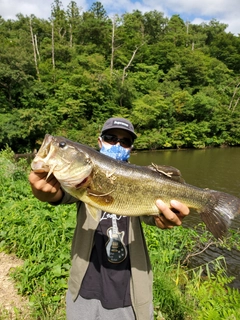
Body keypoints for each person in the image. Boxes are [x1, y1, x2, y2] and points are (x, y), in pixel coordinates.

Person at [29, 117, 189, 320]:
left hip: (127, 290)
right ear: (99, 141)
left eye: (125, 142)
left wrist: (165, 219)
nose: (117, 145)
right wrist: (44, 192)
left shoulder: (140, 178)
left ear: (131, 148)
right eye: (111, 138)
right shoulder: (81, 179)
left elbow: (154, 216)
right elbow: (57, 194)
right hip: (85, 286)